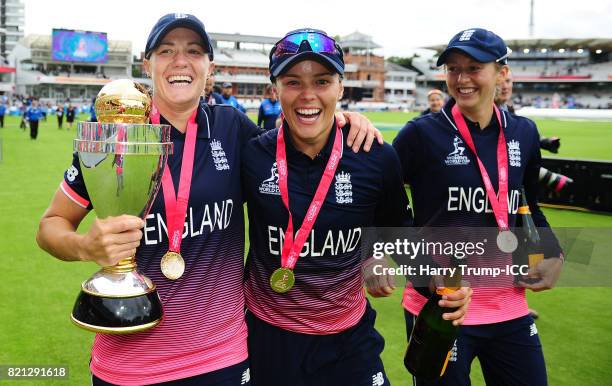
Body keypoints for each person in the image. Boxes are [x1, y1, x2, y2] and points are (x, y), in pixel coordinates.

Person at [36, 13, 383, 386]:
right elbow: (50, 226)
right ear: (147, 64)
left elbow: (298, 154)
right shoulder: (116, 137)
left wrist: (343, 120)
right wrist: (86, 246)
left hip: (223, 357)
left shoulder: (233, 129)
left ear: (209, 67)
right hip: (130, 360)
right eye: (166, 50)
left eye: (194, 51)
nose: (181, 61)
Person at [242, 28, 471, 386]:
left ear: (340, 88)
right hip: (269, 339)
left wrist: (438, 281)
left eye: (322, 81)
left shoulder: (377, 156)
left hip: (348, 342)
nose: (308, 96)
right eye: (292, 82)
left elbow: (398, 234)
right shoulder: (252, 154)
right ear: (274, 90)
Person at [392, 28, 563, 386]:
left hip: (510, 305)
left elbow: (528, 203)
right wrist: (426, 274)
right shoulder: (420, 134)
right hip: (444, 306)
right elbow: (387, 212)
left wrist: (553, 252)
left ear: (501, 73)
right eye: (453, 69)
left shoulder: (524, 133)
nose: (462, 78)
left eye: (473, 67)